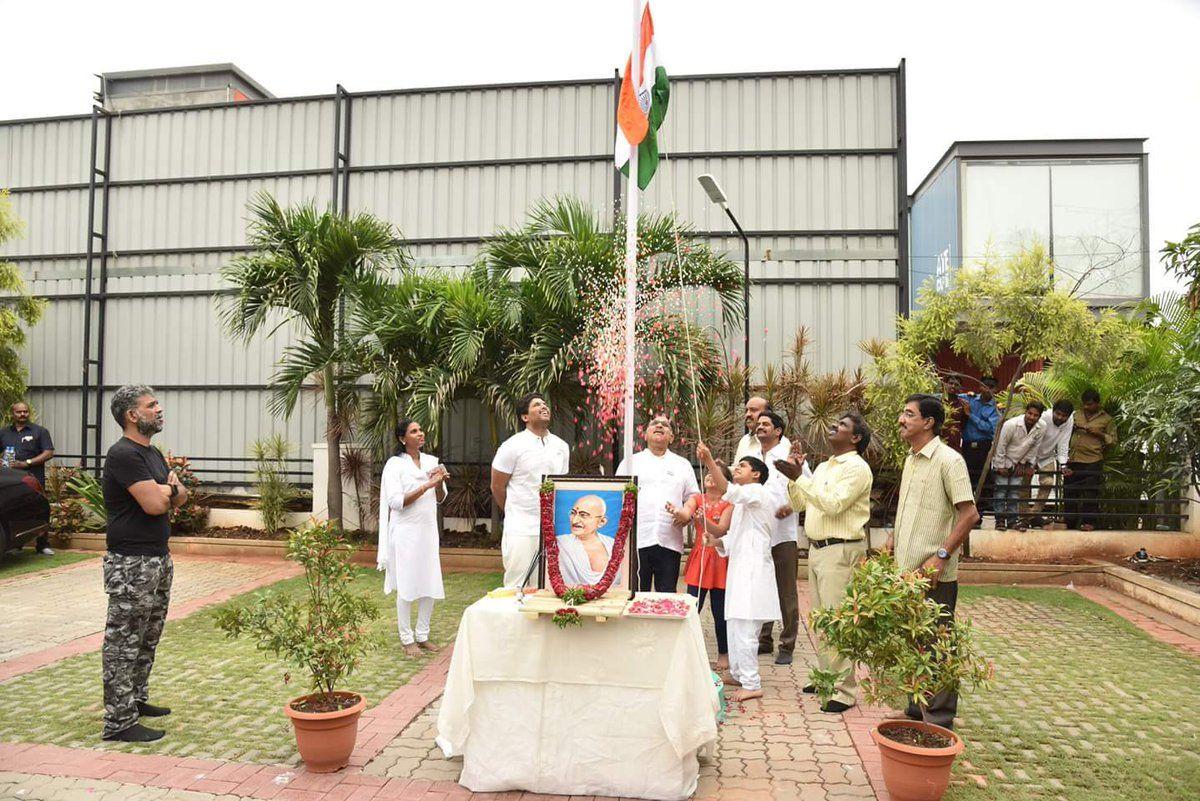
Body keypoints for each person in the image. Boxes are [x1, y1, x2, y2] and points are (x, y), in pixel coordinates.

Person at [100, 385, 188, 743]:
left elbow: (180, 495)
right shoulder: (123, 454)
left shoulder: (151, 453)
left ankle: (136, 700)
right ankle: (118, 721)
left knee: (147, 637)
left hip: (157, 558)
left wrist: (167, 489)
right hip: (130, 563)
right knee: (123, 641)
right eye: (152, 406)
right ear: (132, 415)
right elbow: (155, 504)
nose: (160, 409)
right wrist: (165, 491)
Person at [884, 394, 977, 731]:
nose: (901, 419)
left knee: (936, 643)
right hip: (906, 572)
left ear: (929, 422)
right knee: (913, 639)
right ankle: (916, 706)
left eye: (908, 414)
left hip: (934, 575)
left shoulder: (949, 461)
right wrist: (893, 540)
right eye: (902, 412)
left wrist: (941, 556)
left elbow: (969, 515)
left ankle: (938, 719)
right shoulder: (911, 459)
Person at [774, 412, 873, 713]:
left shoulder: (856, 468)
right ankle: (826, 678)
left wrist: (800, 477)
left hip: (840, 551)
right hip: (818, 550)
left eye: (842, 425)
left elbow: (832, 504)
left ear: (855, 438)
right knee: (822, 619)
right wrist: (796, 476)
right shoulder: (824, 465)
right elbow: (803, 504)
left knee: (838, 620)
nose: (834, 427)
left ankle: (843, 691)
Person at [695, 442, 779, 703]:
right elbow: (731, 538)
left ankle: (752, 682)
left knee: (745, 628)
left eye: (741, 466)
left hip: (753, 571)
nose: (736, 469)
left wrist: (709, 460)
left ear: (756, 473)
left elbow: (726, 490)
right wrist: (716, 541)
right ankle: (738, 673)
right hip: (740, 569)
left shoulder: (757, 492)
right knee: (734, 624)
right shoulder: (745, 502)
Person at [377, 419, 447, 657]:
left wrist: (439, 482)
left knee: (429, 581)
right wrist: (427, 484)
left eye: (421, 430)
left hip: (427, 531)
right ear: (402, 438)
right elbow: (396, 502)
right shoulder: (394, 465)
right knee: (406, 585)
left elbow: (440, 498)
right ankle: (407, 639)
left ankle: (423, 635)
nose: (420, 433)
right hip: (405, 532)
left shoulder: (431, 461)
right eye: (413, 431)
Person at [491, 393, 570, 588]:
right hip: (521, 527)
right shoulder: (511, 446)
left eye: (545, 403)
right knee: (518, 586)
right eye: (536, 405)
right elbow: (497, 486)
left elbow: (563, 484)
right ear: (525, 417)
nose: (544, 407)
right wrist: (514, 510)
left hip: (553, 528)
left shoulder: (561, 446)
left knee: (552, 586)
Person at [742, 411, 800, 665]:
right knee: (761, 584)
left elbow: (804, 486)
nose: (760, 427)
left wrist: (791, 507)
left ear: (778, 431)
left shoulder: (790, 455)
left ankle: (787, 644)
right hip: (757, 533)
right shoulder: (751, 454)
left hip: (783, 532)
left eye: (766, 424)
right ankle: (764, 639)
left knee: (786, 591)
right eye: (759, 423)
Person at [616, 415, 699, 592]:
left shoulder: (682, 464)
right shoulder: (630, 462)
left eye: (666, 425)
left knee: (666, 597)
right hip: (637, 540)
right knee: (635, 596)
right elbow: (617, 495)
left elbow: (693, 496)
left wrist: (687, 513)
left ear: (672, 437)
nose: (660, 425)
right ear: (645, 434)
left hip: (669, 540)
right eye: (654, 423)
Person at [669, 464, 734, 670]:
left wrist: (702, 519)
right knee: (693, 608)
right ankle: (687, 651)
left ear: (724, 481)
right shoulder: (697, 498)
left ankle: (724, 653)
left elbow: (722, 529)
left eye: (715, 474)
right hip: (700, 557)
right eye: (707, 474)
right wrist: (678, 512)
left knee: (719, 610)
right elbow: (686, 513)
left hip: (720, 558)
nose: (709, 476)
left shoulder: (729, 503)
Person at [1, 401, 56, 554]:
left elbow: (48, 452)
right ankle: (17, 544)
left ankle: (43, 544)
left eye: (25, 411)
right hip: (11, 481)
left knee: (41, 508)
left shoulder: (39, 431)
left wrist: (27, 463)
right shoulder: (4, 432)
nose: (22, 414)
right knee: (16, 508)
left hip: (33, 478)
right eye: (19, 412)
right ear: (12, 414)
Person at [1065, 389, 1116, 531]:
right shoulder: (1075, 415)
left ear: (1098, 404)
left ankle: (1089, 523)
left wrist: (1100, 434)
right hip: (1073, 459)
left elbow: (1113, 440)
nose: (1086, 407)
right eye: (1085, 404)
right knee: (1070, 492)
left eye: (1090, 404)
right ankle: (1069, 523)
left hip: (1093, 460)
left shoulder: (1107, 419)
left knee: (1090, 493)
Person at [991, 401, 1044, 531]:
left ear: (1039, 416)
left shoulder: (1041, 427)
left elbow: (1034, 448)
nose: (1032, 417)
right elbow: (1001, 445)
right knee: (1001, 492)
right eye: (1029, 413)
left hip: (1020, 463)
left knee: (1014, 493)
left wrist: (1024, 464)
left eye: (1035, 415)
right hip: (1003, 461)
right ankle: (999, 521)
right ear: (1025, 412)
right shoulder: (1011, 424)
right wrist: (1000, 466)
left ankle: (1012, 521)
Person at [1026, 400, 1074, 529]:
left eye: (1064, 416)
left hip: (1047, 456)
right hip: (1029, 454)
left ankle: (1034, 515)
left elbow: (1064, 443)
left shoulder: (1069, 421)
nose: (1060, 418)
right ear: (1053, 411)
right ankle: (1023, 516)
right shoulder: (1044, 418)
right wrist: (1031, 463)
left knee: (1047, 483)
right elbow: (1034, 441)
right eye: (1058, 414)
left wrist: (1063, 464)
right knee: (1023, 486)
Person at [556, 494, 620, 586]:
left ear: (601, 522)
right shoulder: (558, 544)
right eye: (573, 513)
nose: (574, 520)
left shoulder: (614, 546)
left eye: (583, 515)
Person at [959, 377, 1000, 516]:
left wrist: (970, 415)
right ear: (979, 386)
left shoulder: (995, 408)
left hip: (983, 447)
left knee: (983, 479)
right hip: (967, 446)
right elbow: (952, 397)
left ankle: (979, 514)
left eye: (991, 387)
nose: (987, 389)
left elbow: (989, 428)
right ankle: (965, 513)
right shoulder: (970, 398)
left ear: (995, 390)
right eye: (984, 386)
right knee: (966, 479)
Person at [732, 396, 790, 462]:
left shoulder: (782, 443)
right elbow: (736, 467)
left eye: (753, 410)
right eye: (746, 410)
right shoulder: (745, 440)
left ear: (767, 413)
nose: (748, 414)